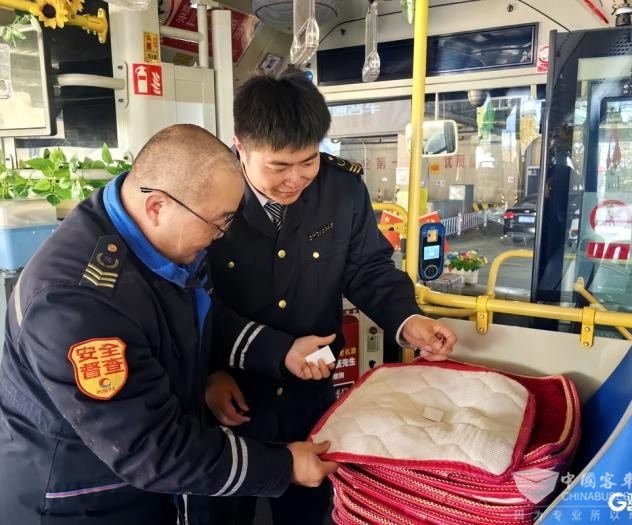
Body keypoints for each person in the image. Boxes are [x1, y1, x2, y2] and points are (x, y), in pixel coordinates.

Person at [0, 124, 337, 525]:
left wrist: (280, 351)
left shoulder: (155, 235)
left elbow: (200, 314)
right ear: (157, 206)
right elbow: (151, 449)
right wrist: (283, 466)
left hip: (144, 487)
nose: (221, 236)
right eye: (218, 222)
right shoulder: (76, 303)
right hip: (78, 503)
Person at [190, 73, 458, 524]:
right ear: (240, 146)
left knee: (311, 514)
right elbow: (191, 298)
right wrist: (209, 375)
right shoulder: (206, 195)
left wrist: (408, 320)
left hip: (308, 399)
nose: (296, 179)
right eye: (279, 166)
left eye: (308, 161)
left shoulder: (341, 190)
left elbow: (367, 268)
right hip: (228, 397)